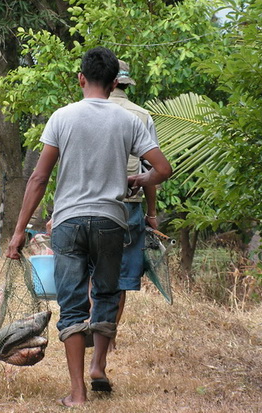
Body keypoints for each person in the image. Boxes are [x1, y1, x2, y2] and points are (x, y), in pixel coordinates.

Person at [6, 47, 172, 408]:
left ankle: (77, 393)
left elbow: (39, 177)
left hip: (68, 222)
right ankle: (99, 366)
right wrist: (137, 179)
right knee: (108, 297)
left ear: (81, 78)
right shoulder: (131, 121)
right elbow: (162, 170)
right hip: (112, 222)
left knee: (73, 305)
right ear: (114, 83)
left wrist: (19, 231)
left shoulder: (62, 117)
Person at [108, 59, 160, 351]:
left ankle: (93, 326)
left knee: (93, 271)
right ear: (125, 84)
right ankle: (110, 337)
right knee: (122, 275)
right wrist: (151, 214)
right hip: (129, 205)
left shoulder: (81, 112)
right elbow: (152, 169)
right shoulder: (142, 116)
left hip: (91, 204)